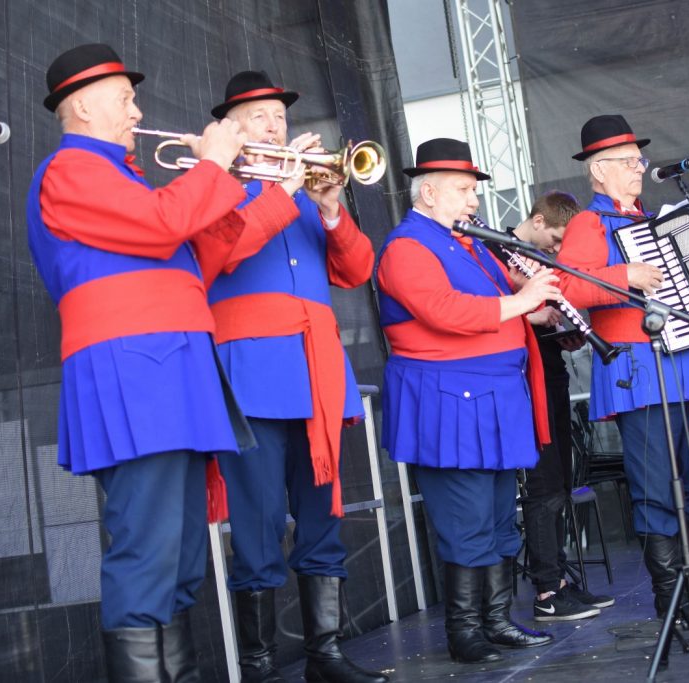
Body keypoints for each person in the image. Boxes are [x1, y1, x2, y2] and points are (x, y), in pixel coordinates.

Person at [27, 43, 252, 682]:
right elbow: (161, 226)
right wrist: (210, 166)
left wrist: (229, 183)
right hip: (136, 374)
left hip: (169, 370)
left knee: (179, 559)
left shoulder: (122, 175)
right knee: (148, 553)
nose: (138, 110)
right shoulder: (71, 168)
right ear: (83, 106)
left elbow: (192, 261)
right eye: (126, 99)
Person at [206, 70, 387, 683]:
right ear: (231, 130)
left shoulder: (310, 196)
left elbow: (358, 268)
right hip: (253, 377)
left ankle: (324, 657)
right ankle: (257, 667)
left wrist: (332, 207)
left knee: (321, 518)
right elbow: (220, 254)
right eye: (260, 118)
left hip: (317, 378)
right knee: (256, 525)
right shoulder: (216, 188)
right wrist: (282, 192)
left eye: (280, 117)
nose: (276, 126)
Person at [376, 138, 559, 663]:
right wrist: (522, 301)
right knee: (466, 520)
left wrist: (544, 309)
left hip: (494, 397)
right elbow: (443, 311)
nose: (474, 201)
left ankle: (497, 620)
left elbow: (512, 306)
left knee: (501, 515)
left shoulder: (472, 246)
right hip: (449, 399)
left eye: (473, 191)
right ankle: (465, 631)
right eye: (463, 190)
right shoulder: (407, 246)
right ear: (428, 192)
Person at [554, 114, 689, 616]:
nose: (640, 169)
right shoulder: (590, 223)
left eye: (640, 160)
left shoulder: (656, 222)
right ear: (598, 172)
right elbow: (568, 288)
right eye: (629, 162)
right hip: (640, 374)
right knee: (656, 486)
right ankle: (670, 590)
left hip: (688, 367)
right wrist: (624, 273)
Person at [483, 192, 613, 621]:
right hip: (521, 379)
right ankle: (546, 591)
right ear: (537, 221)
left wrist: (566, 332)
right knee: (543, 484)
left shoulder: (532, 255)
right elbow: (488, 315)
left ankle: (556, 579)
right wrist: (528, 316)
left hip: (549, 368)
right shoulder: (491, 248)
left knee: (558, 481)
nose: (557, 249)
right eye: (555, 238)